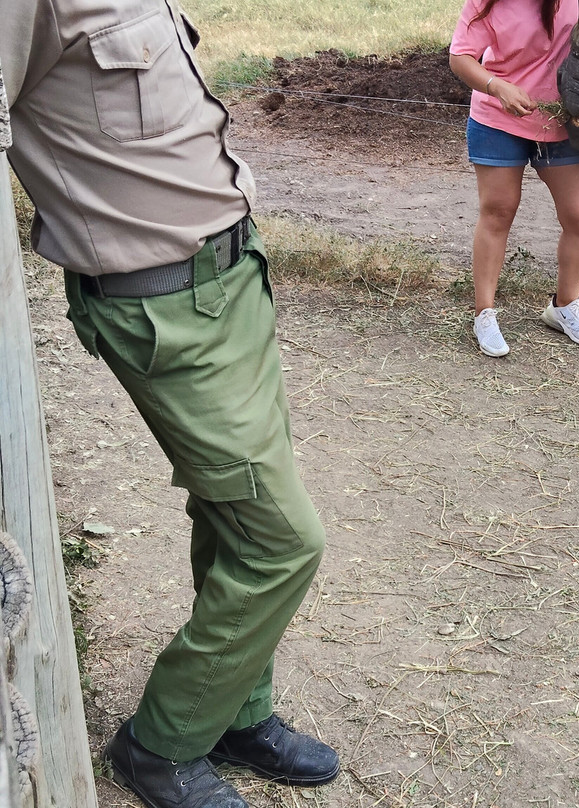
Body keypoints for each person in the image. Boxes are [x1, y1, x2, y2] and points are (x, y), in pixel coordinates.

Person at [1, 2, 341, 806]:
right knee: (281, 540)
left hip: (232, 279)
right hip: (164, 313)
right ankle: (161, 746)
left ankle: (235, 712)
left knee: (233, 514)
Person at [449, 0, 579, 357]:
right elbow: (461, 57)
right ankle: (484, 314)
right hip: (499, 121)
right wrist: (496, 87)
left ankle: (565, 306)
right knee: (498, 212)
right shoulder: (487, 3)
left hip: (562, 121)